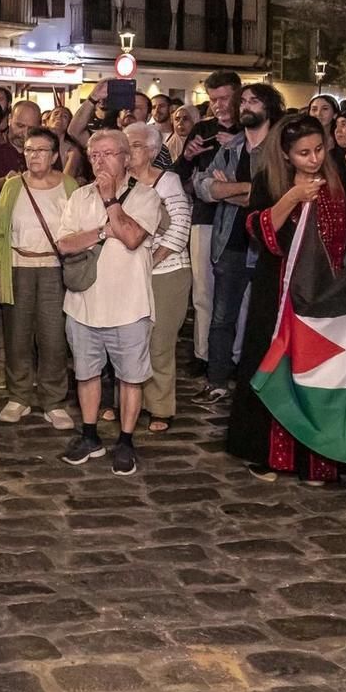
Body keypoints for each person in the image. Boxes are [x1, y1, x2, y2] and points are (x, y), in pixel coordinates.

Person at [226, 113, 346, 483]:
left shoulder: (335, 178)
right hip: (278, 292)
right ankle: (267, 452)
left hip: (327, 291)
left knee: (318, 369)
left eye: (319, 149)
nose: (314, 158)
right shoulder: (269, 181)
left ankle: (315, 458)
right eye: (304, 153)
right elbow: (259, 229)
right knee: (275, 366)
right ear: (287, 155)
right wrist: (293, 197)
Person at [53, 129, 164, 475]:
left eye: (109, 154)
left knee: (130, 378)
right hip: (84, 305)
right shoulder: (79, 197)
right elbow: (66, 244)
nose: (100, 161)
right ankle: (89, 435)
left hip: (129, 306)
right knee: (86, 374)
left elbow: (132, 237)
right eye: (95, 154)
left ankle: (126, 441)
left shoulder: (146, 197)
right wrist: (102, 232)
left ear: (126, 158)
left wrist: (111, 201)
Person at [196, 83, 285, 400]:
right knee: (222, 319)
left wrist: (229, 191)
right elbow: (202, 185)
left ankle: (254, 384)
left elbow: (274, 197)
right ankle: (217, 381)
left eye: (254, 101)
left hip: (265, 248)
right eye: (243, 101)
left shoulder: (280, 150)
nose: (246, 106)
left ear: (269, 108)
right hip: (229, 245)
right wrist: (242, 192)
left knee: (262, 319)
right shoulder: (231, 147)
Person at [0, 128, 76, 430]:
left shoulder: (69, 185)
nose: (34, 155)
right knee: (17, 334)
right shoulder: (12, 186)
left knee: (54, 337)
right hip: (18, 265)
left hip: (55, 268)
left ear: (55, 155)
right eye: (29, 150)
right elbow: (0, 230)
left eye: (41, 150)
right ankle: (19, 396)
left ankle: (54, 400)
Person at [176, 69, 245, 369]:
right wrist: (188, 157)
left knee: (239, 292)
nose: (219, 105)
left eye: (225, 98)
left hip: (240, 217)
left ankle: (234, 354)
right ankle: (203, 353)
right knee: (203, 289)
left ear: (238, 95)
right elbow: (177, 176)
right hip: (204, 217)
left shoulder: (250, 127)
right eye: (213, 99)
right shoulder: (202, 130)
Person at [127, 121, 191, 434]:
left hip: (167, 273)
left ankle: (161, 406)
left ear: (153, 151)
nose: (130, 149)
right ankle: (128, 402)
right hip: (129, 273)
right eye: (127, 143)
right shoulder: (120, 182)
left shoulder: (169, 182)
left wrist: (150, 261)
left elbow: (180, 229)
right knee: (129, 340)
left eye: (136, 144)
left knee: (160, 343)